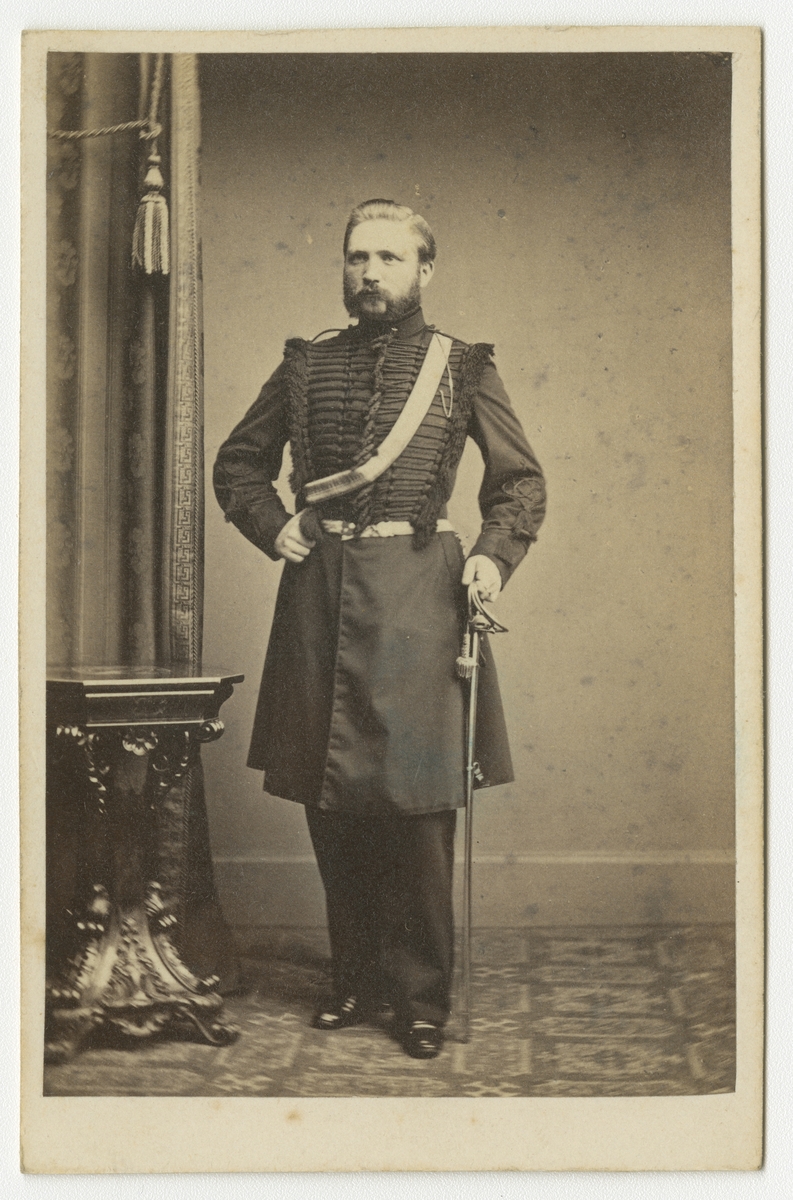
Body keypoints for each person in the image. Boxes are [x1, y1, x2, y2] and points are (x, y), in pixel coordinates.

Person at [213, 199, 546, 1059]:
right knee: (333, 803)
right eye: (357, 257)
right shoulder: (305, 364)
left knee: (417, 809)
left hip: (419, 599)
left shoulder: (461, 366)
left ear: (424, 270)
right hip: (321, 594)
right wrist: (272, 526)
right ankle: (354, 981)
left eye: (389, 258)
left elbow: (518, 483)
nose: (369, 273)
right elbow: (239, 464)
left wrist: (492, 559)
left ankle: (421, 999)